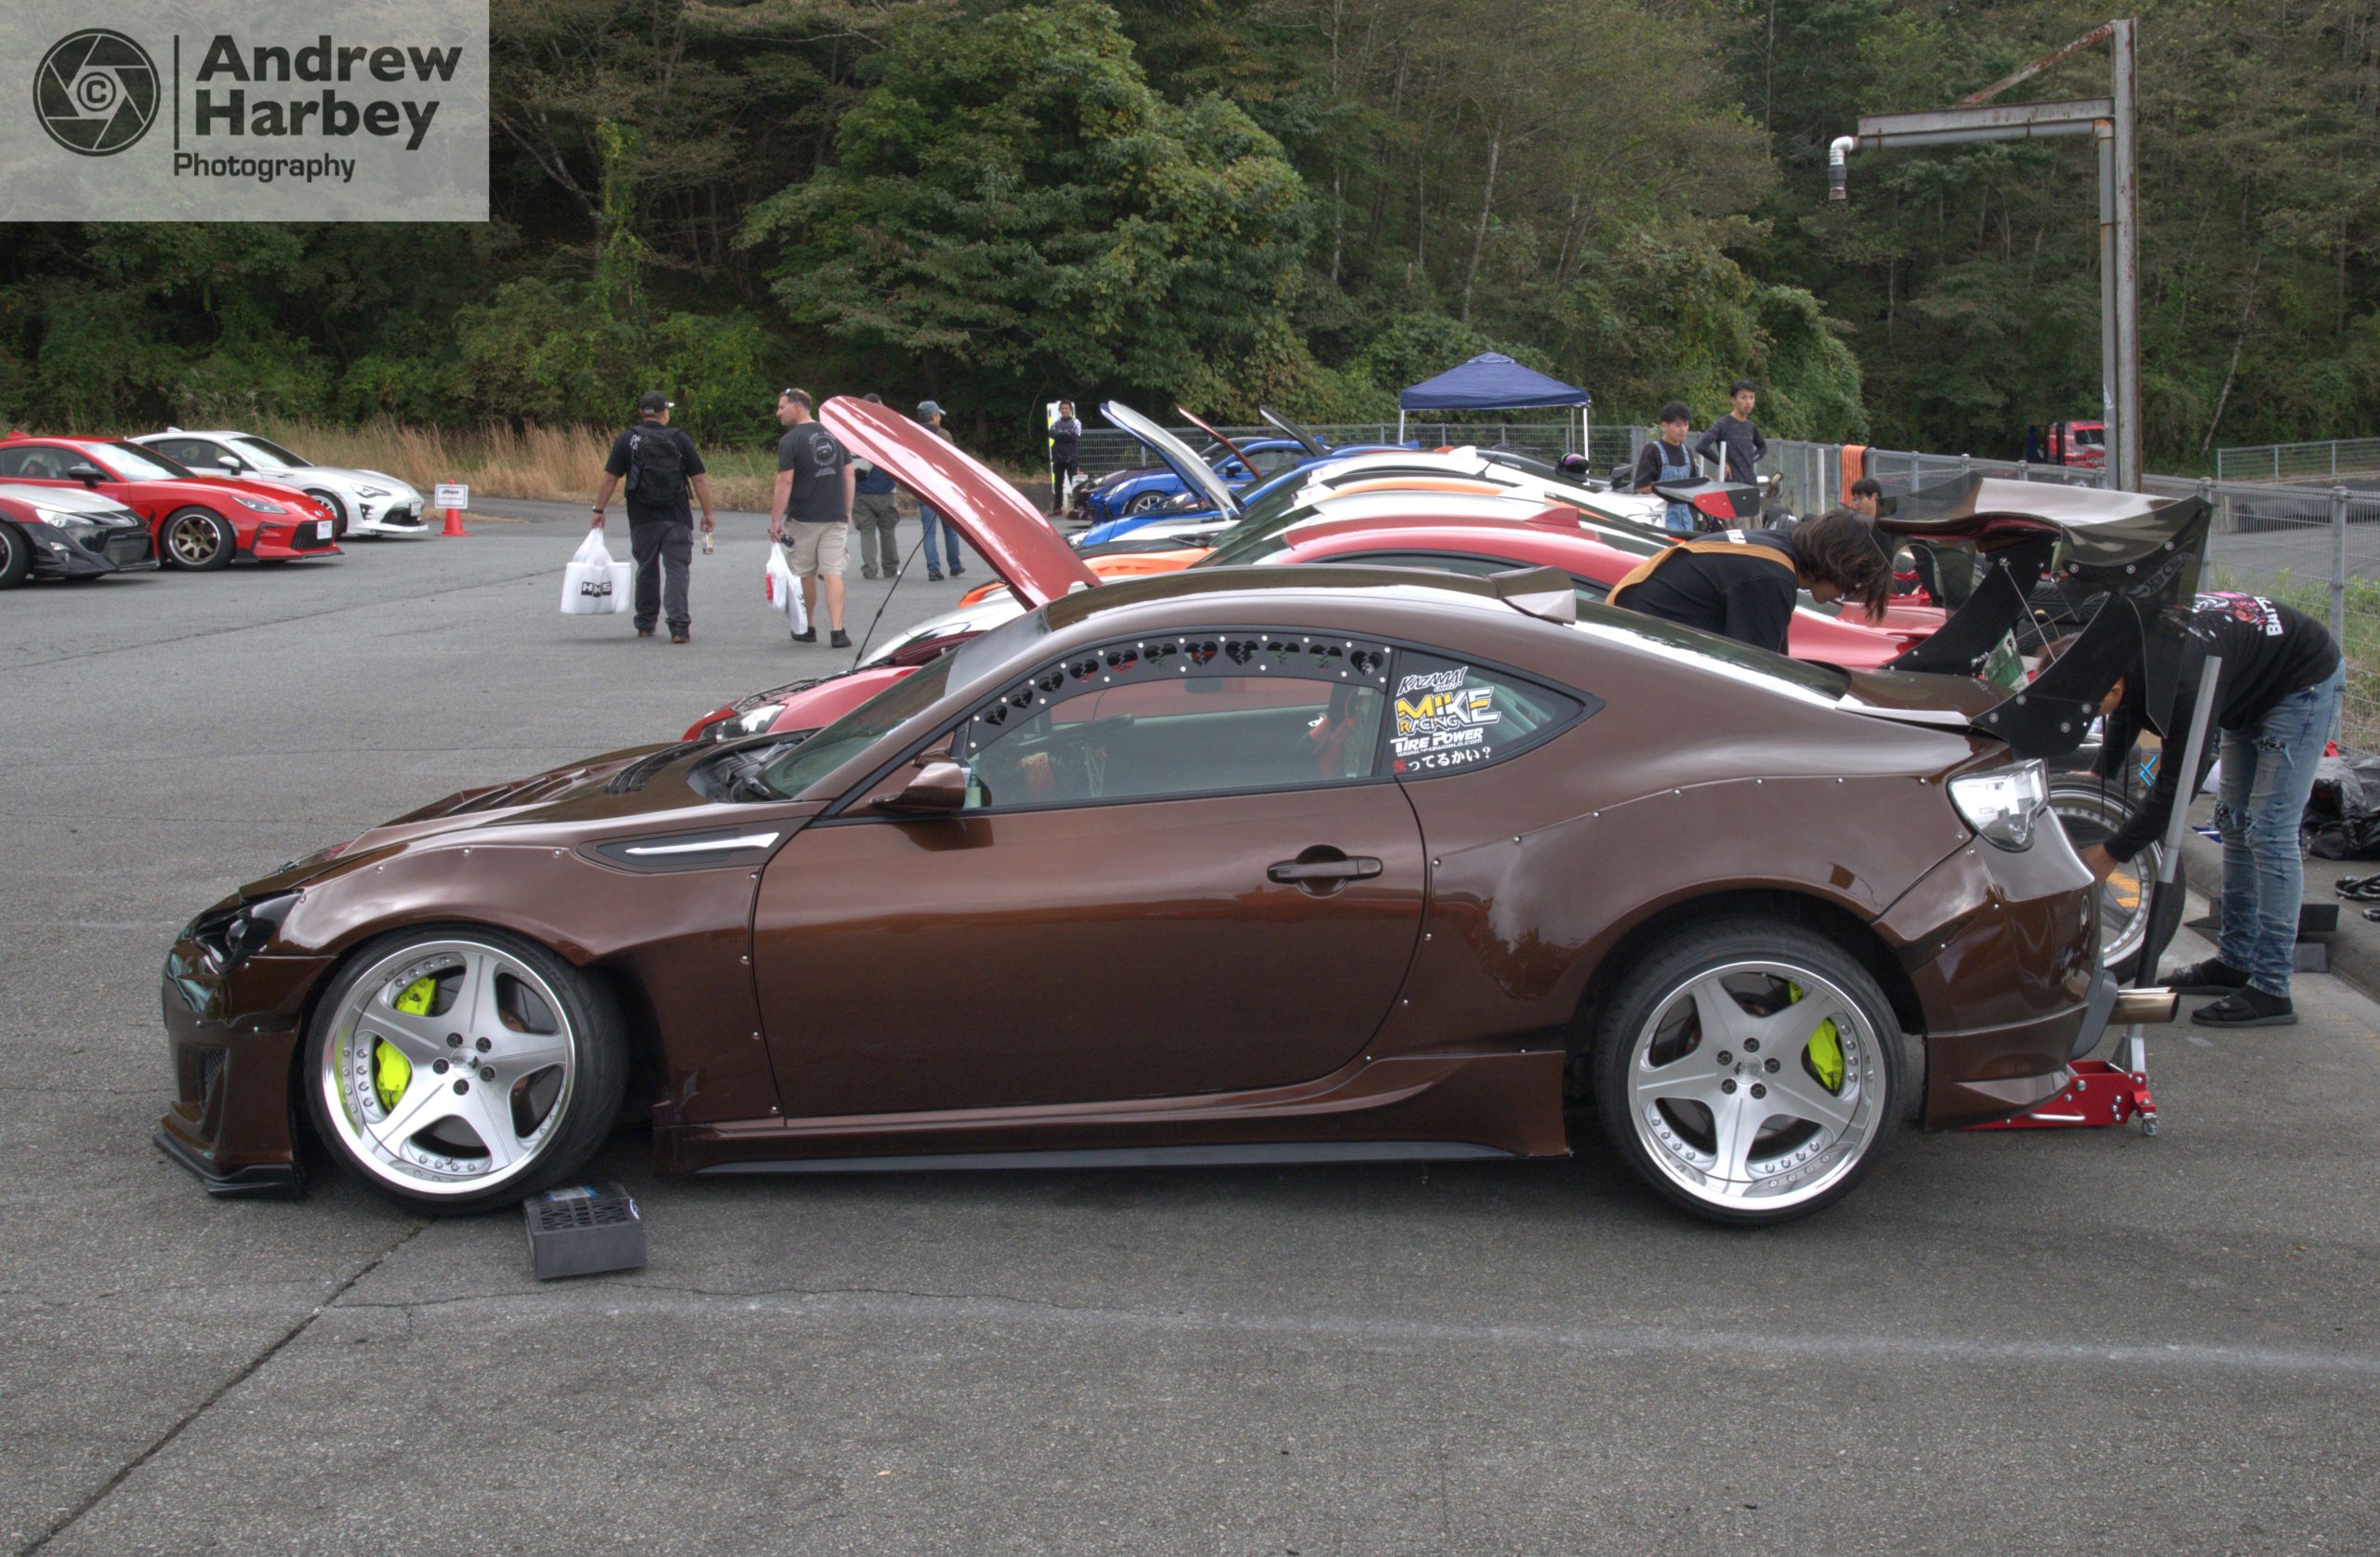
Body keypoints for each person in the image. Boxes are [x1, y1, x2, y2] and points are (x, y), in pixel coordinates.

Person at [2074, 593, 2345, 1028]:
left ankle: (2272, 988)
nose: (2086, 718)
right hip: (2246, 681)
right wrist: (2099, 774)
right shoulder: (2122, 653)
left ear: (2112, 686)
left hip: (2300, 683)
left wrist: (2114, 852)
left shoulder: (2183, 682)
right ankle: (2234, 962)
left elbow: (2178, 784)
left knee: (2270, 832)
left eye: (2089, 708)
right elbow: (2133, 704)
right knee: (2234, 825)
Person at [1606, 507, 1890, 655]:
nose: (1842, 594)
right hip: (1638, 652)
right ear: (1835, 564)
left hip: (1632, 636)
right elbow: (1759, 675)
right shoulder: (1770, 575)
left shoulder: (1775, 547)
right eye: (1850, 585)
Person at [591, 391, 715, 644]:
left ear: (642, 413)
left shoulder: (628, 439)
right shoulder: (679, 439)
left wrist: (598, 510)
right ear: (664, 413)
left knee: (646, 568)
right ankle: (679, 627)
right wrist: (708, 513)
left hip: (642, 517)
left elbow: (610, 478)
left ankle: (646, 624)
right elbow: (698, 478)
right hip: (677, 516)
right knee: (677, 569)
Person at [772, 388, 858, 650]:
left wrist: (776, 520)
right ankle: (837, 630)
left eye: (782, 407)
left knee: (805, 572)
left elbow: (785, 480)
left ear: (797, 406)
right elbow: (849, 473)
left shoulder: (790, 440)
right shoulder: (835, 434)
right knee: (833, 572)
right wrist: (847, 511)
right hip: (835, 516)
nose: (778, 413)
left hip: (803, 518)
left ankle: (807, 626)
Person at [850, 392, 902, 580]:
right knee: (888, 532)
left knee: (867, 533)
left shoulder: (855, 431)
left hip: (862, 491)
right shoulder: (888, 431)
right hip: (886, 489)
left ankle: (870, 569)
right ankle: (890, 568)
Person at [914, 400, 965, 580]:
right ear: (934, 416)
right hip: (943, 488)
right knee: (950, 528)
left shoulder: (913, 434)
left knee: (929, 531)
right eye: (938, 415)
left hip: (923, 487)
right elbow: (953, 461)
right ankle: (955, 565)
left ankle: (933, 569)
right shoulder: (944, 435)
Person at [1630, 401, 1699, 533]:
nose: (1683, 429)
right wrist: (1667, 490)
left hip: (1685, 521)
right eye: (1678, 425)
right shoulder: (1653, 450)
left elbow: (1693, 487)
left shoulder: (1687, 452)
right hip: (1660, 519)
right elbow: (1640, 486)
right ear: (1664, 425)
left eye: (1686, 424)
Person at [1694, 379, 1765, 484]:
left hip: (1750, 484)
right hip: (1731, 485)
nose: (1748, 402)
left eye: (1751, 397)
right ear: (1733, 400)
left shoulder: (1751, 426)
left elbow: (1763, 448)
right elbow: (1701, 446)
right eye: (1743, 397)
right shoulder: (1723, 424)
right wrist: (1721, 462)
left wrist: (1751, 459)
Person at [1049, 400, 1081, 514]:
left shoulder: (1076, 422)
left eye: (1066, 408)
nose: (1064, 410)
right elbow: (1052, 434)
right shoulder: (1055, 423)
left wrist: (1060, 434)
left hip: (1071, 457)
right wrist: (1066, 433)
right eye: (1062, 408)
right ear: (1060, 410)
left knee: (1075, 483)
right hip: (1058, 457)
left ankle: (1078, 506)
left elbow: (1074, 436)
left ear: (1070, 410)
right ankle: (1057, 508)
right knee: (1058, 483)